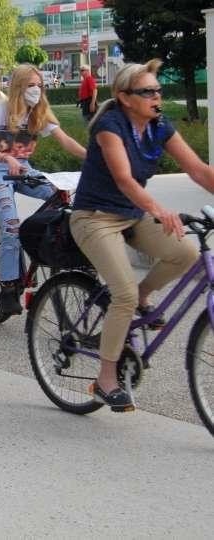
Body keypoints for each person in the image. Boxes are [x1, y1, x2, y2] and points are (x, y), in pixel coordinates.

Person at [70, 59, 214, 411]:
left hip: (131, 215)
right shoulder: (109, 124)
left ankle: (144, 295)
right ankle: (106, 378)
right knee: (123, 295)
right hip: (95, 218)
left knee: (187, 254)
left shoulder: (159, 126)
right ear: (124, 97)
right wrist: (158, 209)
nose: (156, 97)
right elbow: (123, 179)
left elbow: (197, 170)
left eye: (158, 91)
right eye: (147, 92)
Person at [0, 64, 86, 316]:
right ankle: (7, 288)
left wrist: (94, 159)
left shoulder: (39, 112)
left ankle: (38, 244)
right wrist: (6, 159)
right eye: (31, 85)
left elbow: (65, 140)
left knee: (59, 197)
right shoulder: (0, 109)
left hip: (24, 168)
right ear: (18, 88)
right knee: (11, 225)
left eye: (39, 85)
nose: (36, 90)